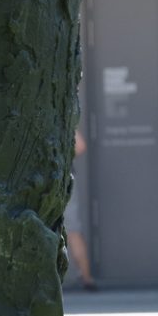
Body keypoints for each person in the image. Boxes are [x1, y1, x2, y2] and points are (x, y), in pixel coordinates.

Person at [64, 124, 94, 289]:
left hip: (41, 179)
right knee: (73, 229)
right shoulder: (62, 116)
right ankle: (87, 279)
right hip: (64, 178)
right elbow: (80, 145)